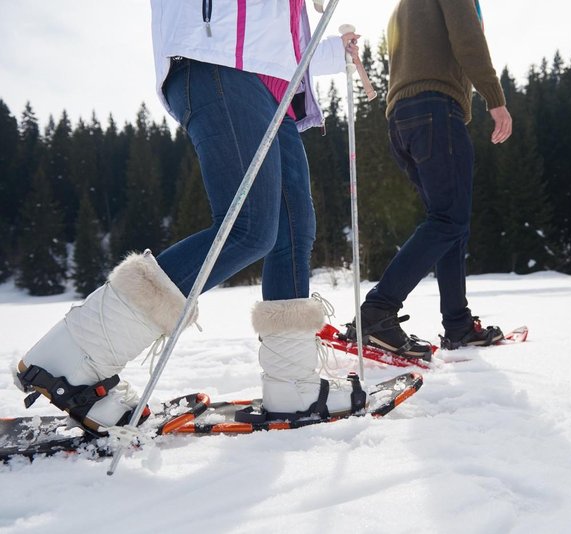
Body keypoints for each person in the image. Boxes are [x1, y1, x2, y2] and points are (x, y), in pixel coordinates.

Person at [13, 0, 367, 432]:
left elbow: (276, 32)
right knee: (248, 228)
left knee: (293, 233)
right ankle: (68, 360)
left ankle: (292, 385)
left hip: (275, 89)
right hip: (217, 60)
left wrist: (333, 50)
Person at [346, 0, 513, 359]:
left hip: (403, 119)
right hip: (435, 110)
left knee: (449, 224)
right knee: (449, 220)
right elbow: (468, 38)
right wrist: (495, 99)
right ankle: (377, 311)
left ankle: (458, 324)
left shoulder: (402, 8)